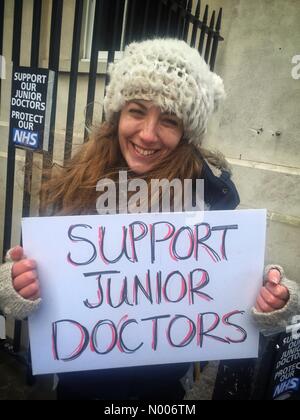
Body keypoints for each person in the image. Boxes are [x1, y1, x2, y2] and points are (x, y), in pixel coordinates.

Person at [0, 38, 299, 400]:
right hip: (76, 387)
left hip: (162, 393)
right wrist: (16, 283)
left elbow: (243, 282)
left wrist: (274, 299)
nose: (147, 134)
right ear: (117, 115)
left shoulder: (208, 195)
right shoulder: (79, 180)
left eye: (169, 120)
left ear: (186, 133)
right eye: (137, 111)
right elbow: (33, 265)